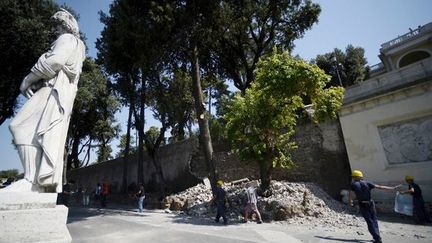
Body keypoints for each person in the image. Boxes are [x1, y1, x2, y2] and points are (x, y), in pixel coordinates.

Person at [2, 8, 85, 193]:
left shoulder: (67, 39)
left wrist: (28, 80)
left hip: (53, 91)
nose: (54, 30)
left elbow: (54, 62)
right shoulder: (77, 45)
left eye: (56, 26)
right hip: (56, 91)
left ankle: (31, 180)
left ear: (64, 25)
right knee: (27, 129)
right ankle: (33, 180)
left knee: (19, 125)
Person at [348, 170, 399, 243]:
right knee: (374, 219)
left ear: (354, 177)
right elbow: (380, 187)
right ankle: (377, 237)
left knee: (369, 221)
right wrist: (392, 188)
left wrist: (350, 202)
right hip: (371, 203)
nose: (352, 178)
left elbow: (350, 194)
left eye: (353, 177)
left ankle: (377, 238)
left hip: (362, 204)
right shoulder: (367, 183)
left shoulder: (353, 185)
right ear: (361, 176)